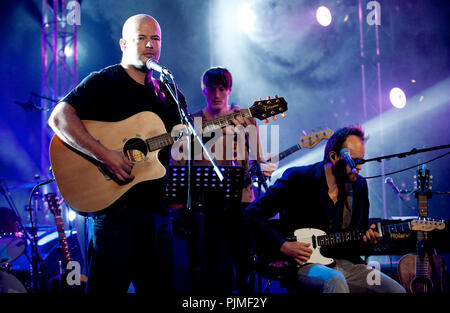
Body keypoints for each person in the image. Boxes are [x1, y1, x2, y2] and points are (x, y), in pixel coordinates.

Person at [48, 14, 187, 293]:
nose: (150, 44)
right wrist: (104, 155)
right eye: (142, 38)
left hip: (158, 216)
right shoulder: (104, 81)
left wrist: (227, 125)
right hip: (114, 217)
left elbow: (182, 146)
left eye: (156, 39)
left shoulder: (169, 93)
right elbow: (59, 118)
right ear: (124, 43)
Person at [242, 126, 406, 293]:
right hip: (302, 264)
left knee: (395, 291)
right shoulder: (298, 179)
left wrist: (369, 240)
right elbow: (251, 214)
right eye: (354, 161)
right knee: (334, 280)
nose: (359, 168)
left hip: (345, 264)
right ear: (333, 157)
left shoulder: (359, 186)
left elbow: (358, 241)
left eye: (361, 161)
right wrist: (282, 245)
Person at [170, 67, 277, 293]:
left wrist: (266, 166)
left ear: (229, 90)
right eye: (211, 89)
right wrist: (179, 205)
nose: (216, 94)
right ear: (204, 90)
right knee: (207, 266)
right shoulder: (193, 122)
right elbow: (177, 162)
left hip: (240, 202)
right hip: (203, 206)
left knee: (245, 263)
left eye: (221, 89)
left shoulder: (245, 120)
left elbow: (259, 159)